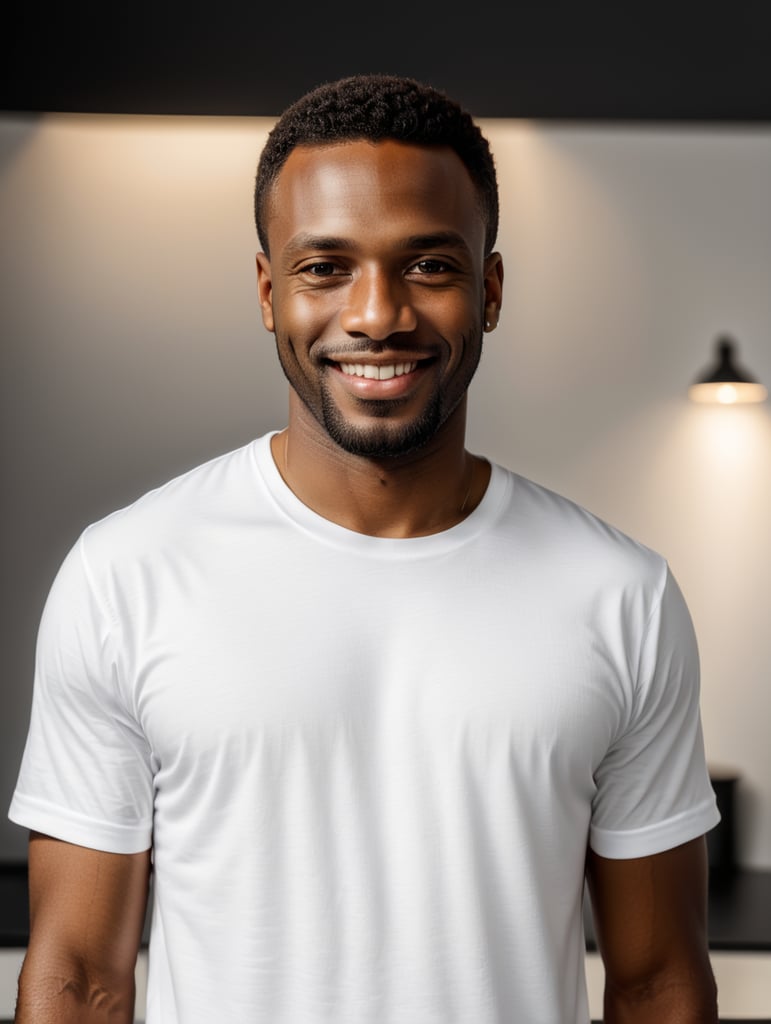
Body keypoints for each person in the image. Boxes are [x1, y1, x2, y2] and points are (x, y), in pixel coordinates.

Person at [9, 73, 720, 1023]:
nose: (376, 314)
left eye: (427, 265)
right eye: (324, 267)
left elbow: (658, 981)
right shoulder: (125, 576)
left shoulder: (618, 595)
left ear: (490, 289)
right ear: (269, 292)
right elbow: (78, 979)